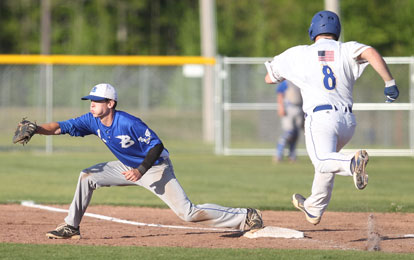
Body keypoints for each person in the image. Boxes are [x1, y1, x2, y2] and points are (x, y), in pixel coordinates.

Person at [31, 83, 263, 239]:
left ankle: (246, 216)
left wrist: (142, 170)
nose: (91, 104)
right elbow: (62, 127)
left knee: (188, 213)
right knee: (87, 176)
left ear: (110, 103)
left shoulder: (129, 122)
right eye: (90, 100)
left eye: (97, 100)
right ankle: (71, 226)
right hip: (128, 167)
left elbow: (157, 145)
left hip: (155, 168)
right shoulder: (92, 120)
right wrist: (37, 129)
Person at [264, 10, 399, 225]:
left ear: (312, 31)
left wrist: (291, 73)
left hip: (321, 118)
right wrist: (389, 83)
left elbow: (269, 78)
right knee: (326, 164)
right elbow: (371, 52)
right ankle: (314, 207)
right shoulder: (346, 49)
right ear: (337, 31)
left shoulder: (299, 53)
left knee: (321, 160)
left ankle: (352, 163)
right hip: (347, 122)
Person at [273, 80, 304, 163]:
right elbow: (280, 94)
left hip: (299, 108)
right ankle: (278, 154)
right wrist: (281, 107)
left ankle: (292, 156)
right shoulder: (286, 82)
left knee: (296, 134)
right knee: (288, 132)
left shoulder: (299, 80)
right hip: (288, 108)